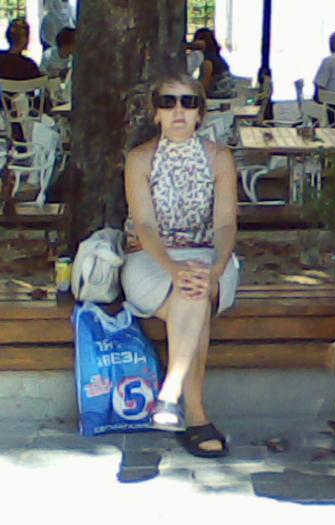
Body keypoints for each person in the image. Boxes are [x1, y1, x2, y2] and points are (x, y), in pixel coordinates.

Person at [122, 73, 239, 457]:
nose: (178, 111)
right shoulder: (140, 159)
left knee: (195, 290)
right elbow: (145, 226)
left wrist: (216, 270)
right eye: (168, 102)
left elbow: (225, 224)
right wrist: (174, 269)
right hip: (151, 258)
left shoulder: (219, 158)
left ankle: (171, 394)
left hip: (208, 256)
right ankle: (194, 415)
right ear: (156, 112)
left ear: (200, 113)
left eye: (188, 103)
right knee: (192, 292)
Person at [193, 28, 235, 98]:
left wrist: (199, 93)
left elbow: (206, 77)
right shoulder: (215, 55)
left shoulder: (208, 58)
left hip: (218, 90)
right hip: (228, 89)